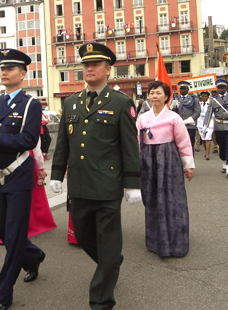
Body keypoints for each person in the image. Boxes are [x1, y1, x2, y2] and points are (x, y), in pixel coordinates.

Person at [50, 43, 142, 310]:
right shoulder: (70, 103)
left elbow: (129, 146)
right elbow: (64, 144)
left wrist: (132, 183)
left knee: (108, 238)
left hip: (107, 186)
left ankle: (101, 301)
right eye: (86, 65)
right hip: (79, 185)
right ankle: (111, 261)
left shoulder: (121, 102)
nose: (89, 69)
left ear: (108, 69)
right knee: (83, 234)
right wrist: (57, 174)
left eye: (96, 64)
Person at [0, 49, 44, 310]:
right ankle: (34, 255)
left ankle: (3, 294)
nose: (4, 72)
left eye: (11, 69)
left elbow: (29, 140)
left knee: (14, 236)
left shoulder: (30, 104)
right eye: (2, 69)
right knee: (3, 231)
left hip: (17, 175)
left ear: (23, 74)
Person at [137, 81, 194, 257]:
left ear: (166, 97)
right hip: (148, 160)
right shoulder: (142, 118)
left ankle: (176, 240)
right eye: (152, 92)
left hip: (169, 159)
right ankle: (156, 240)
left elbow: (183, 142)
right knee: (152, 197)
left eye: (159, 93)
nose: (154, 96)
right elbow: (137, 142)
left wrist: (188, 166)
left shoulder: (174, 118)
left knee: (172, 198)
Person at [0, 137, 56, 244]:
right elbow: (36, 148)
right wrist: (41, 168)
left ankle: (2, 227)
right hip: (26, 159)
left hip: (4, 161)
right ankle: (31, 225)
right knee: (32, 196)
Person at [203, 79, 228, 179]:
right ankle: (224, 161)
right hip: (218, 127)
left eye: (222, 87)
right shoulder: (214, 100)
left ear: (226, 87)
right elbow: (209, 113)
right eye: (218, 88)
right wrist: (205, 125)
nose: (220, 89)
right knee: (222, 147)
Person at [171, 81, 200, 151]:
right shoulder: (175, 99)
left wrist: (188, 121)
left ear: (188, 89)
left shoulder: (194, 99)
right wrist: (173, 107)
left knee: (190, 145)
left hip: (190, 125)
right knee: (179, 145)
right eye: (181, 88)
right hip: (178, 126)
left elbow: (197, 112)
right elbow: (172, 113)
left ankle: (190, 160)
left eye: (184, 88)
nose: (182, 90)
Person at [197, 91, 214, 160]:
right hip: (200, 122)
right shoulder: (198, 104)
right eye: (203, 96)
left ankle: (207, 154)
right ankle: (205, 151)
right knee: (203, 139)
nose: (204, 97)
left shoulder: (210, 104)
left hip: (209, 123)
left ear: (208, 97)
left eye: (205, 96)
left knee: (208, 138)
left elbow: (212, 113)